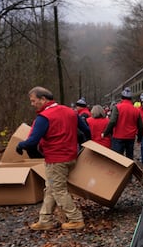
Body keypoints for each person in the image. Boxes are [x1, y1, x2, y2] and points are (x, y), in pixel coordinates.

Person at [16, 86, 90, 231]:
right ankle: (45, 219)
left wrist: (20, 145)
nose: (32, 104)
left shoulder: (44, 117)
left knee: (58, 190)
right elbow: (86, 130)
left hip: (55, 159)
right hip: (70, 156)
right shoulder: (71, 112)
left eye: (33, 100)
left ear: (43, 99)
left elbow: (32, 141)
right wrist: (87, 147)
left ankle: (76, 219)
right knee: (51, 187)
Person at [102, 87, 143, 159]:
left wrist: (105, 133)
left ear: (121, 98)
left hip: (118, 137)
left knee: (117, 159)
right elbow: (141, 126)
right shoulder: (136, 110)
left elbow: (112, 121)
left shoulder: (117, 107)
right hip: (130, 138)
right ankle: (129, 170)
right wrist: (139, 139)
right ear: (131, 99)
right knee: (129, 158)